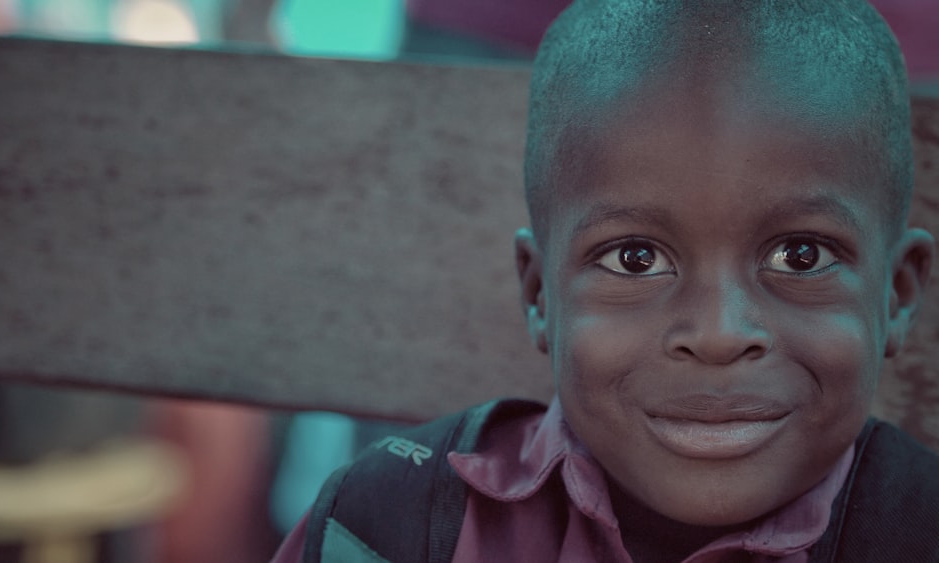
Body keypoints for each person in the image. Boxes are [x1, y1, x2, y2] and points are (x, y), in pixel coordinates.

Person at [272, 1, 939, 561]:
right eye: (635, 259)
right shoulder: (388, 525)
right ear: (539, 294)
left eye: (799, 256)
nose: (717, 333)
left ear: (898, 293)